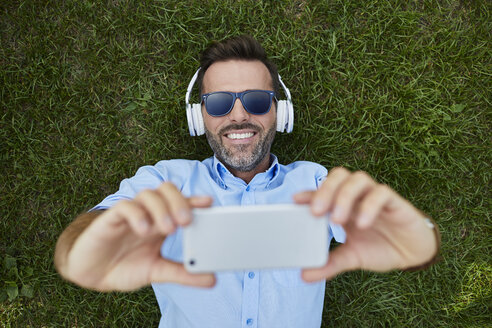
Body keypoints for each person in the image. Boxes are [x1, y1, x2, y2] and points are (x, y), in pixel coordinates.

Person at [54, 35, 440, 327]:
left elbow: (417, 244)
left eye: (256, 100)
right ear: (199, 117)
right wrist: (96, 241)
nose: (238, 116)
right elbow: (82, 242)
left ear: (280, 111)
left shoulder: (318, 184)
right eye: (220, 103)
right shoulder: (166, 181)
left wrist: (413, 235)